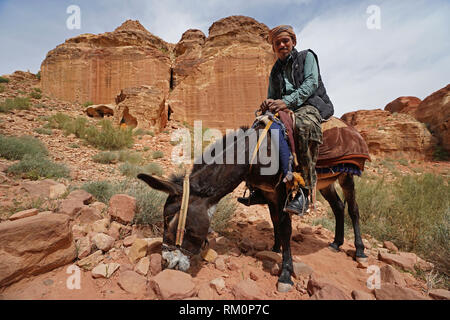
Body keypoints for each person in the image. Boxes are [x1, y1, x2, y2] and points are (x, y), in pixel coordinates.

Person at [238, 25, 334, 216]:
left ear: (293, 42)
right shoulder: (275, 71)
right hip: (285, 108)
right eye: (277, 43)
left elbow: (310, 84)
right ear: (274, 47)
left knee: (304, 126)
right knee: (259, 129)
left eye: (285, 41)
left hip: (310, 104)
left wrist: (286, 101)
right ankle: (257, 188)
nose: (282, 45)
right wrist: (268, 103)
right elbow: (272, 95)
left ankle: (303, 192)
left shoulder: (307, 57)